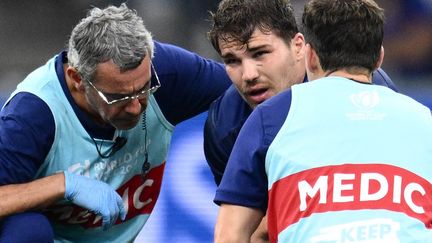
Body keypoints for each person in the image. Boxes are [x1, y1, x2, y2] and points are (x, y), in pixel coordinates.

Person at [0, 4, 230, 242]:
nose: (135, 107)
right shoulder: (33, 114)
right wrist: (62, 184)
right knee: (27, 229)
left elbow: (245, 88)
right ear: (77, 78)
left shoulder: (164, 72)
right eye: (117, 97)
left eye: (143, 90)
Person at [213, 0, 432, 242]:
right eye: (232, 61)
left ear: (307, 54)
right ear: (378, 58)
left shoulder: (266, 118)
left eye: (261, 53)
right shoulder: (421, 118)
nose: (250, 74)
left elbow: (230, 235)